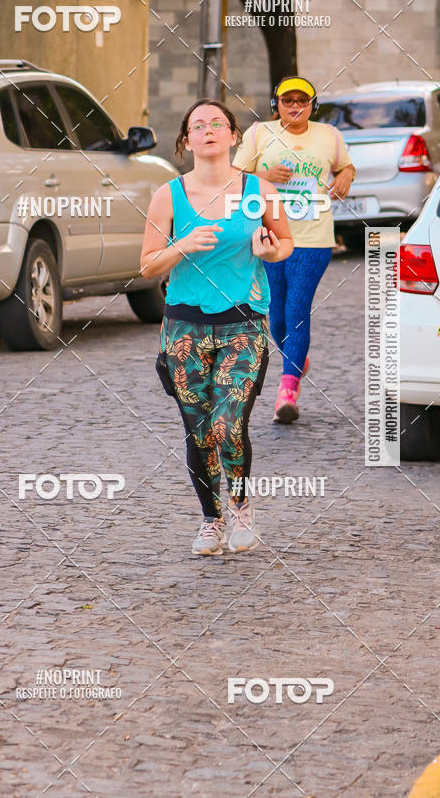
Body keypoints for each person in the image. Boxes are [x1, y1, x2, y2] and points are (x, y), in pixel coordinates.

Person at [140, 99, 293, 556]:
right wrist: (182, 245)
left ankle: (241, 505)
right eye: (198, 125)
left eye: (217, 124)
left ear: (233, 136)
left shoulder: (259, 190)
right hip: (184, 327)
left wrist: (269, 251)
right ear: (186, 141)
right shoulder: (167, 195)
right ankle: (212, 519)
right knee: (199, 429)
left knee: (228, 424)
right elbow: (148, 266)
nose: (208, 130)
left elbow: (285, 243)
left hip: (242, 322)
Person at [232, 75, 356, 423]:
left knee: (297, 308)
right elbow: (233, 177)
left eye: (303, 100)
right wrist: (264, 176)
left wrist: (347, 174)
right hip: (268, 234)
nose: (296, 106)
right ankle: (296, 358)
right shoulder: (259, 133)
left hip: (313, 237)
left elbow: (345, 165)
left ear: (313, 105)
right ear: (277, 105)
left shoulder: (329, 135)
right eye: (288, 101)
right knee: (277, 315)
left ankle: (287, 392)